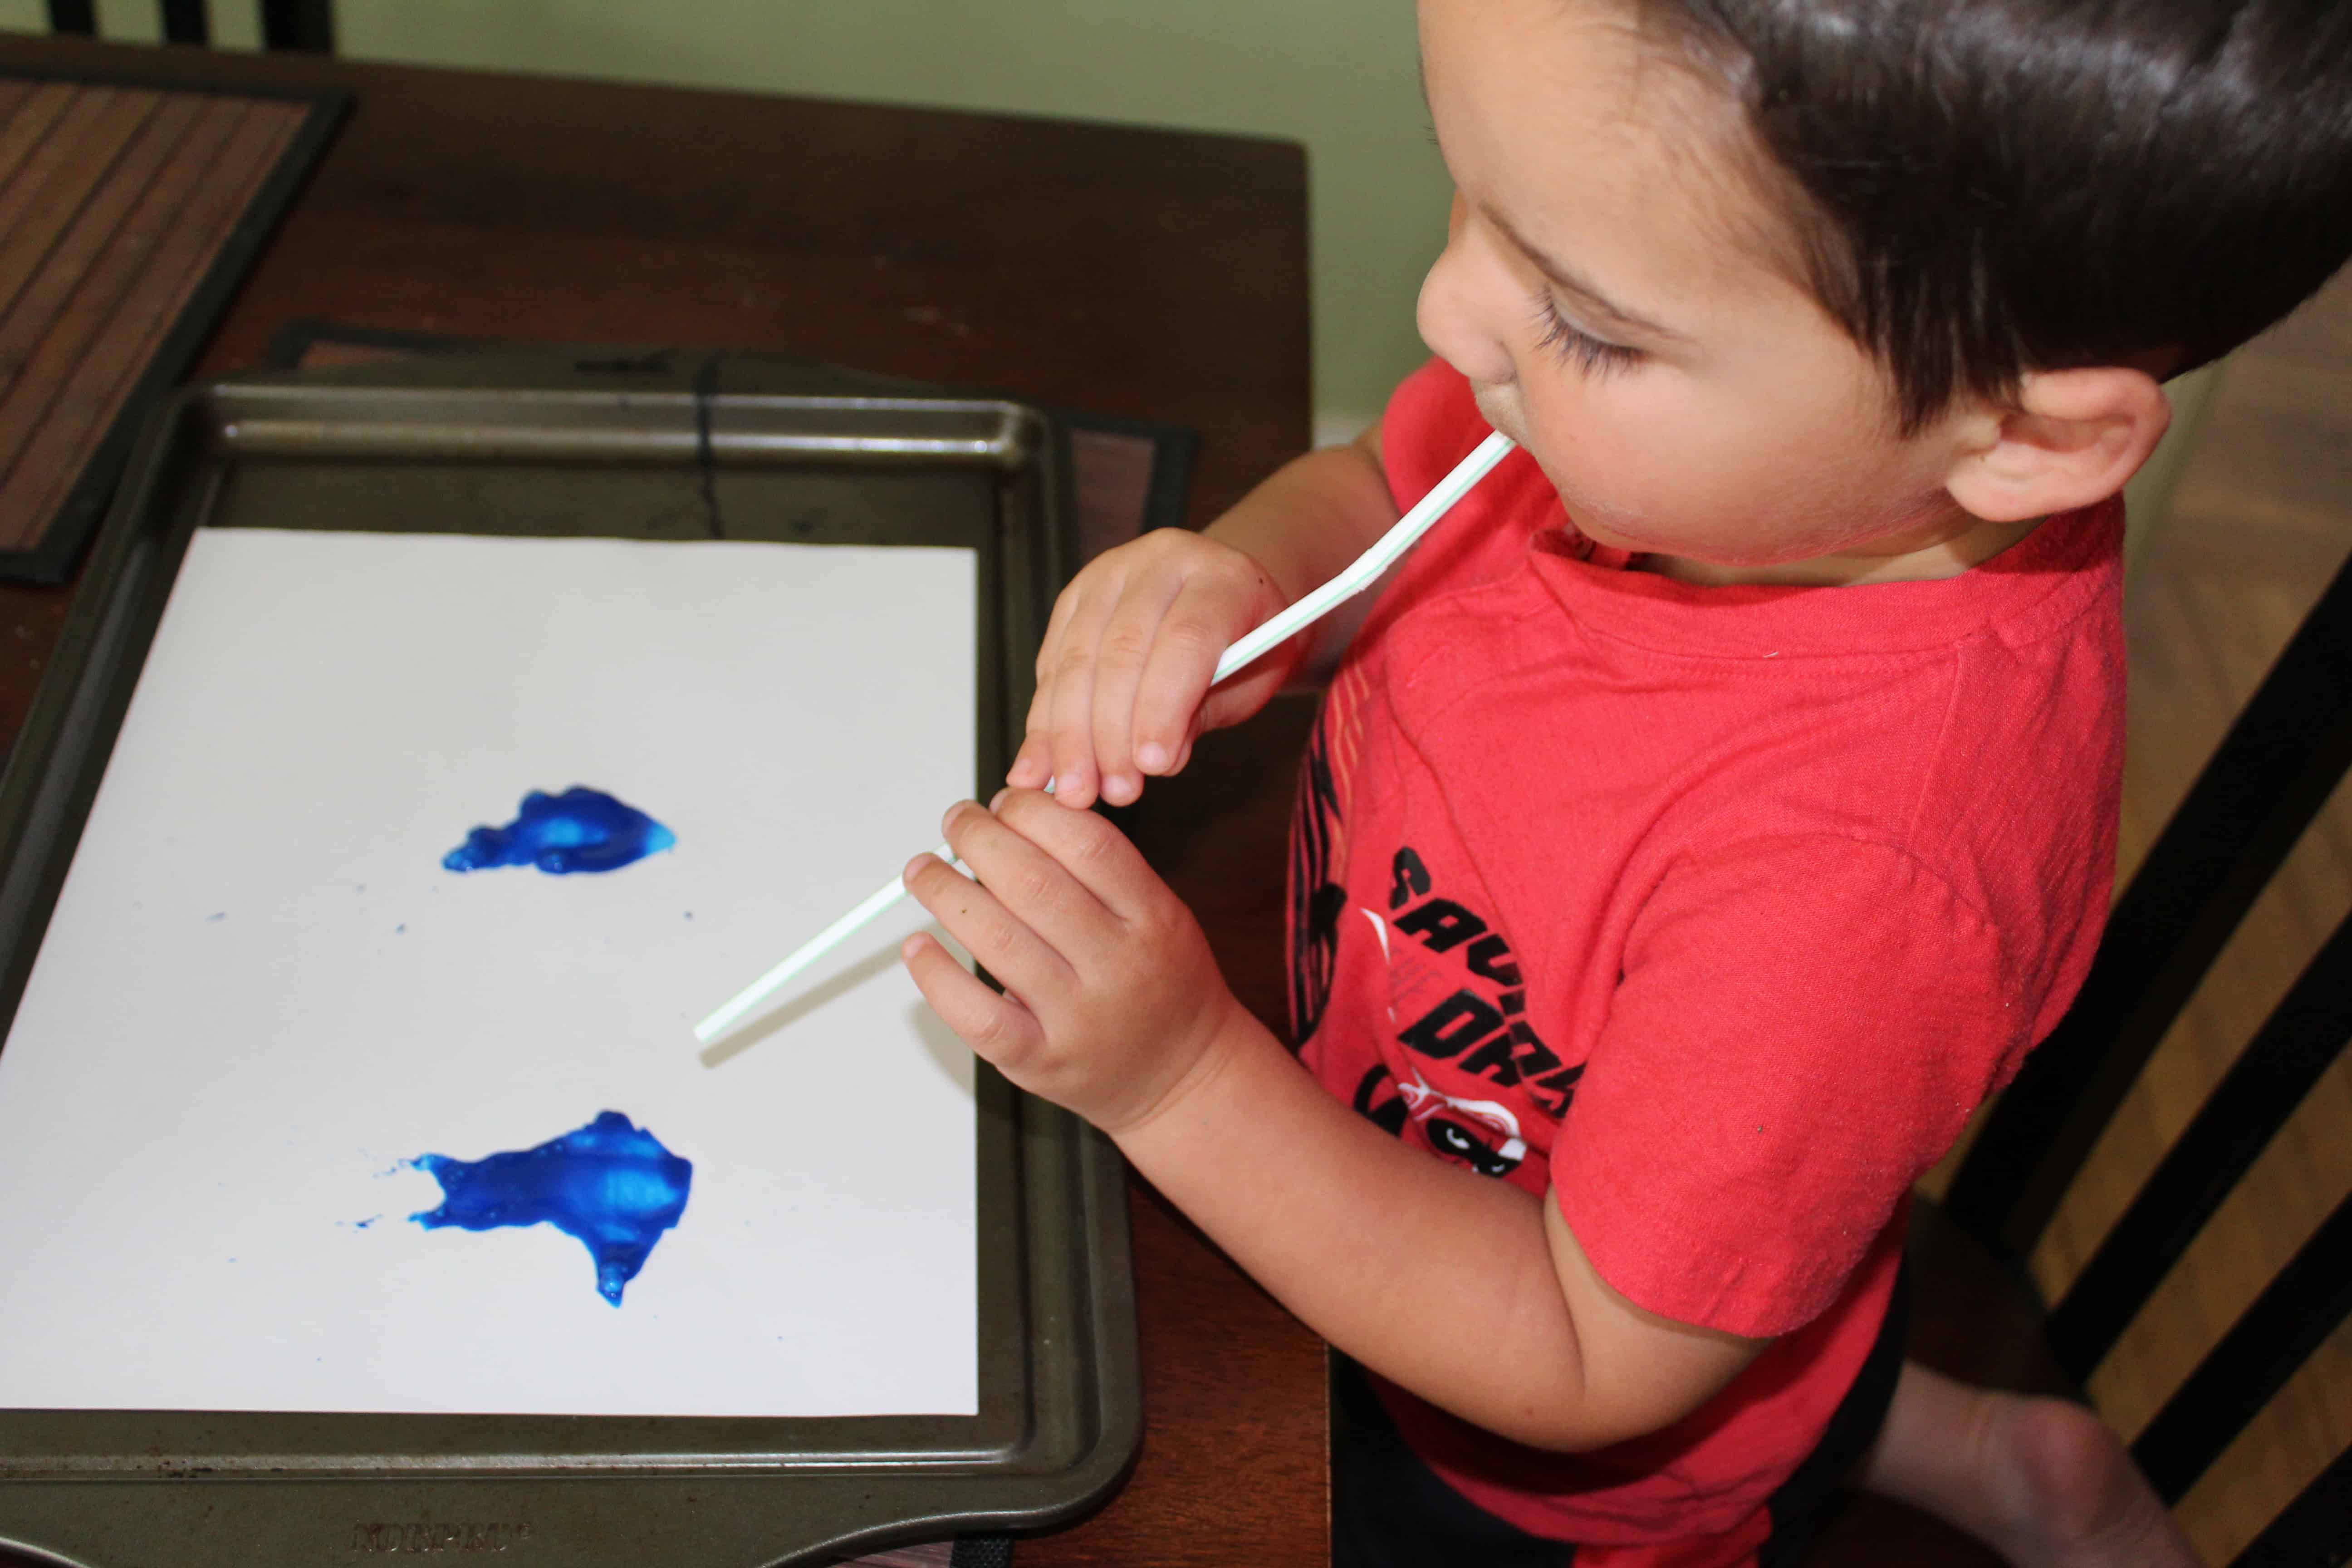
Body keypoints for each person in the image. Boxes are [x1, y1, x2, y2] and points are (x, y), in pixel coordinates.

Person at [892, 0, 2352, 1561]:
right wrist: (1253, 578)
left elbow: (1596, 1352)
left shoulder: (1859, 894)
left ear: (2019, 439)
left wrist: (1178, 1077)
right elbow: (1389, 482)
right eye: (1475, 197)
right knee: (1778, 1289)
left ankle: (1931, 1443)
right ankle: (1982, 1445)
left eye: (1586, 317)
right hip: (1635, 1201)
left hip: (1531, 1453)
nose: (1451, 311)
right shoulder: (1733, 436)